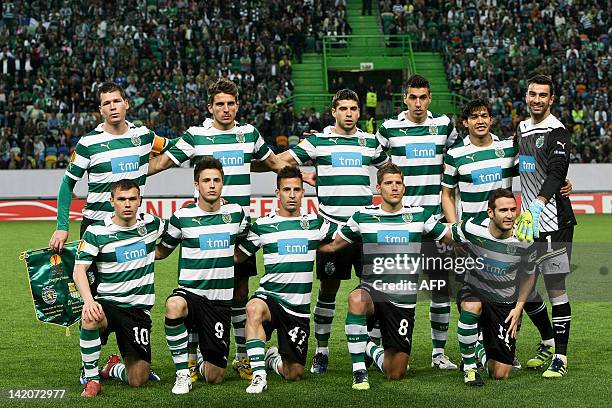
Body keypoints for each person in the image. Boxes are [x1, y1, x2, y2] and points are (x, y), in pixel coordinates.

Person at [148, 78, 288, 379]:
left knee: (239, 293)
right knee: (197, 292)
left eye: (231, 103)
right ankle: (192, 357)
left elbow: (273, 162)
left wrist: (300, 176)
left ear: (237, 105)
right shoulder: (196, 135)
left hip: (237, 228)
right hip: (202, 227)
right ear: (210, 107)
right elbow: (161, 164)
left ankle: (241, 356)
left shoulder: (248, 134)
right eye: (220, 104)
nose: (226, 109)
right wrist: (122, 171)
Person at [277, 89, 388, 374]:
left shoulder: (370, 142)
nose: (349, 114)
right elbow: (283, 161)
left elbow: (390, 170)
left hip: (364, 230)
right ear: (334, 112)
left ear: (359, 112)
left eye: (354, 108)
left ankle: (371, 345)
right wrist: (301, 176)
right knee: (328, 291)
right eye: (344, 109)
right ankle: (322, 351)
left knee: (373, 292)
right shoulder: (318, 141)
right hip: (331, 229)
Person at [318, 163, 452, 390]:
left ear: (404, 187)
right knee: (356, 299)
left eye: (398, 183)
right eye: (389, 183)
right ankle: (359, 372)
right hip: (373, 291)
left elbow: (449, 236)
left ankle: (368, 345)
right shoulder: (363, 216)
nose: (394, 187)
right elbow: (333, 246)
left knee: (396, 372)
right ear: (378, 187)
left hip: (403, 302)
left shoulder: (419, 215)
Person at [49, 81, 168, 293]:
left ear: (126, 104)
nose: (112, 106)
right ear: (101, 109)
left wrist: (201, 140)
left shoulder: (144, 136)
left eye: (117, 101)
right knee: (92, 297)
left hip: (129, 225)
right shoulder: (88, 143)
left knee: (127, 293)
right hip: (95, 226)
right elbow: (67, 183)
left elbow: (173, 146)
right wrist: (62, 226)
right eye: (107, 103)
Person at [376, 74, 458, 370]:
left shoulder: (444, 126)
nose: (418, 103)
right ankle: (384, 350)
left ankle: (438, 354)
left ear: (430, 98)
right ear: (404, 99)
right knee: (389, 291)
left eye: (423, 97)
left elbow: (461, 155)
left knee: (439, 290)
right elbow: (371, 159)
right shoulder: (389, 129)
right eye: (413, 97)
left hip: (434, 225)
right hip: (399, 227)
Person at [155, 157, 248, 394]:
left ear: (223, 183)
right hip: (191, 295)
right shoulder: (181, 217)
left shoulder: (236, 214)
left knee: (215, 377)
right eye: (206, 180)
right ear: (197, 184)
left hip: (219, 303)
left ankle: (199, 353)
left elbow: (250, 240)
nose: (212, 185)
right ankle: (182, 373)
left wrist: (232, 257)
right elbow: (162, 251)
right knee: (174, 305)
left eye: (216, 180)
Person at [235, 166, 331, 393]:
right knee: (253, 308)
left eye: (297, 189)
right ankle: (258, 376)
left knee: (294, 373)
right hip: (270, 298)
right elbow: (238, 255)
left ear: (303, 193)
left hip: (298, 310)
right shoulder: (263, 225)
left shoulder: (316, 224)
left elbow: (343, 235)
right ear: (277, 193)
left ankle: (270, 359)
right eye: (286, 189)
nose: (292, 194)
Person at [74, 180, 165, 397]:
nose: (127, 204)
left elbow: (180, 229)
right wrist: (89, 300)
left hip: (137, 311)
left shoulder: (152, 224)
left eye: (132, 199)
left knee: (138, 379)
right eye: (122, 199)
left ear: (140, 201)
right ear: (112, 201)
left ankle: (112, 368)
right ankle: (91, 378)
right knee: (89, 316)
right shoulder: (97, 231)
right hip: (109, 303)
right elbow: (79, 271)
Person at [514, 74, 577, 378]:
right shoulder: (522, 129)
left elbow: (556, 171)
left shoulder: (558, 131)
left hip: (553, 222)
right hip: (527, 224)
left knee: (555, 287)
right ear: (526, 97)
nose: (536, 100)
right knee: (522, 286)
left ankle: (561, 357)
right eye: (532, 94)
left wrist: (539, 202)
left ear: (551, 100)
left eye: (543, 95)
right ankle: (548, 340)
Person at [452, 188, 537, 386]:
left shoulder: (524, 239)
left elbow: (529, 276)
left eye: (513, 209)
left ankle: (479, 347)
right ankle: (469, 368)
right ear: (491, 212)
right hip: (475, 292)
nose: (509, 215)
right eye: (503, 210)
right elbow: (446, 233)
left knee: (500, 374)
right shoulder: (472, 227)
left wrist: (518, 308)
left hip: (505, 303)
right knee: (472, 305)